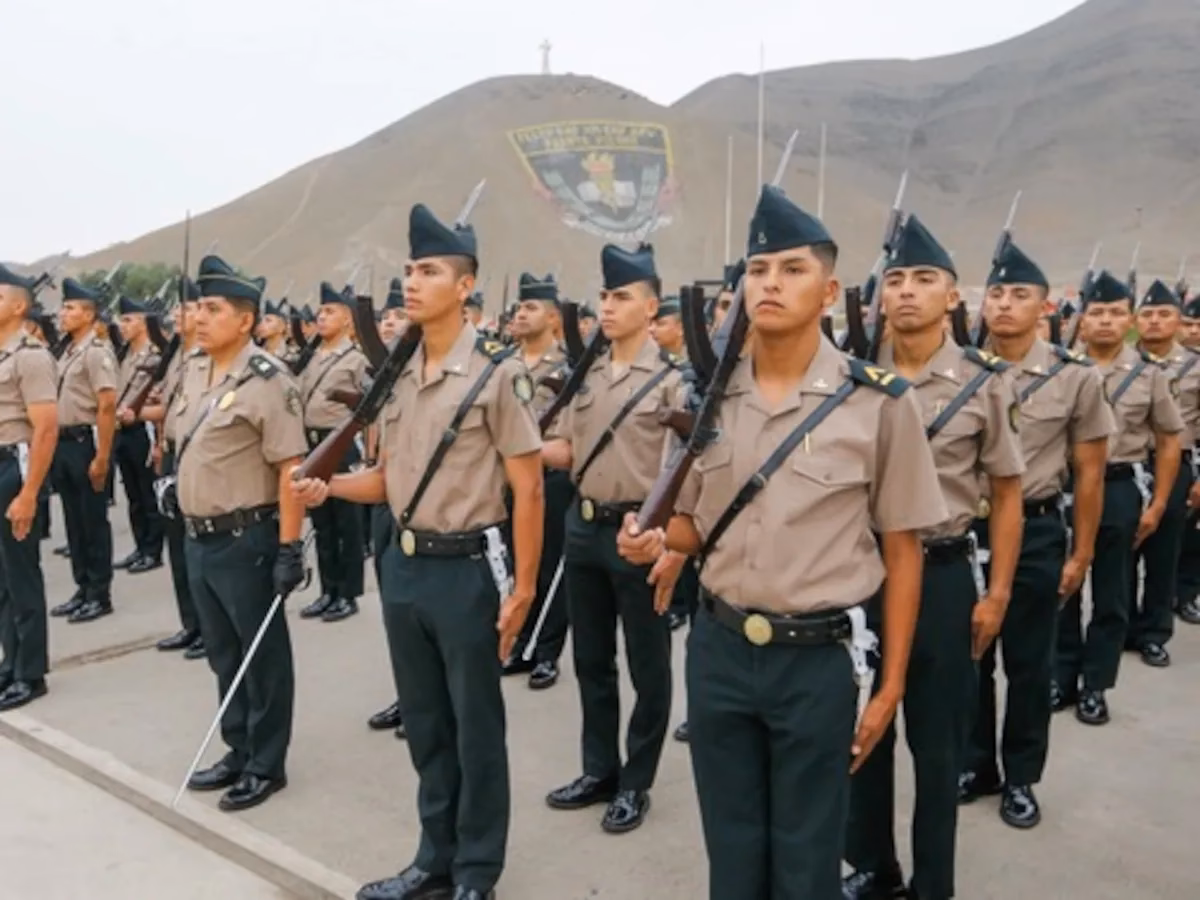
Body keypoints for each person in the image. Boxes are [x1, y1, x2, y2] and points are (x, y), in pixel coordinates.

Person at [617, 185, 946, 899]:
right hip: (719, 650)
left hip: (817, 662)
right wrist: (654, 540)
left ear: (828, 292)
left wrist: (890, 684)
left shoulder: (878, 402)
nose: (769, 283)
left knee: (807, 862)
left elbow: (902, 550)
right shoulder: (709, 398)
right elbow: (697, 525)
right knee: (732, 856)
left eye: (792, 269)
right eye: (758, 270)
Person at [293, 201, 544, 900]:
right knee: (427, 724)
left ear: (465, 286)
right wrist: (328, 486)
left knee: (475, 727)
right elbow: (390, 479)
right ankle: (435, 859)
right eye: (408, 270)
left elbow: (529, 488)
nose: (412, 281)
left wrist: (525, 588)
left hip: (467, 570)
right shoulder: (398, 374)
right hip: (403, 567)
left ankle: (477, 871)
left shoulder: (496, 374)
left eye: (429, 270)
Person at [842, 215, 1025, 900]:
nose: (906, 291)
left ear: (952, 297)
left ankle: (934, 884)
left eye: (924, 280)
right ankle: (873, 866)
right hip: (864, 576)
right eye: (895, 280)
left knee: (937, 744)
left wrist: (997, 593)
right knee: (863, 730)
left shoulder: (984, 383)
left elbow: (1006, 494)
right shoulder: (852, 378)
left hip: (945, 575)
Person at [960, 241, 1112, 830]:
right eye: (996, 293)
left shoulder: (1074, 377)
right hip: (966, 531)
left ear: (1045, 307)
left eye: (1018, 295)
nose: (1003, 304)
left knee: (1028, 663)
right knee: (970, 657)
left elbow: (1090, 473)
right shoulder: (962, 371)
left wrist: (1083, 551)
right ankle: (976, 764)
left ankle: (1021, 776)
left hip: (1037, 530)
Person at [542, 242, 683, 835]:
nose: (607, 305)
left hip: (638, 534)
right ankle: (599, 770)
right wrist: (516, 448)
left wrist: (668, 540)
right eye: (603, 295)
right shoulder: (589, 374)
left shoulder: (673, 381)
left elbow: (685, 470)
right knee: (591, 660)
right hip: (583, 527)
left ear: (650, 308)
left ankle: (635, 781)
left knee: (648, 667)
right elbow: (567, 449)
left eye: (620, 296)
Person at [177, 255, 308, 812]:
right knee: (223, 653)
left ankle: (266, 763)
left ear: (246, 319)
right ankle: (239, 746)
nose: (200, 318)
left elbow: (291, 467)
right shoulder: (195, 368)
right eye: (199, 308)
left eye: (213, 309)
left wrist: (289, 547)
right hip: (198, 536)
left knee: (262, 656)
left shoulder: (268, 380)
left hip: (245, 536)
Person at [1057, 271, 1183, 725]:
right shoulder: (1060, 369)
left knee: (1112, 593)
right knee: (1062, 587)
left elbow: (1169, 440)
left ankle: (1096, 683)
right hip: (1065, 489)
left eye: (1115, 313)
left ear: (1129, 321)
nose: (1106, 321)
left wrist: (1159, 503)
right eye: (1097, 313)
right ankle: (1062, 675)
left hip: (1118, 487)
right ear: (1082, 320)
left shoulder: (1149, 374)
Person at [501, 272, 571, 691]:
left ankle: (546, 651)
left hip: (549, 478)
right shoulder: (503, 364)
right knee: (515, 564)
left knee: (548, 567)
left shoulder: (568, 369)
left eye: (531, 307)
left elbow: (569, 439)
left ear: (554, 317)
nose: (521, 314)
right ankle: (520, 641)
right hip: (504, 481)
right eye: (520, 307)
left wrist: (524, 450)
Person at [1127, 280, 1198, 665]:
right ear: (1136, 321)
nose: (1155, 321)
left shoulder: (1195, 365)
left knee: (1163, 553)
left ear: (1177, 321)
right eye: (1148, 314)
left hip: (1176, 464)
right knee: (1120, 552)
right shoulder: (1120, 363)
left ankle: (1154, 632)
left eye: (1164, 314)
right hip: (1128, 467)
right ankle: (1122, 625)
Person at [0, 265, 59, 711]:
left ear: (19, 306)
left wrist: (29, 493)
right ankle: (11, 660)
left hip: (14, 467)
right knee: (2, 576)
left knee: (21, 573)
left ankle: (30, 672)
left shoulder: (31, 356)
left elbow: (46, 429)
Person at [140, 279, 206, 659]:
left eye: (186, 308)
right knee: (177, 545)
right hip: (170, 453)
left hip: (193, 457)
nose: (177, 315)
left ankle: (208, 628)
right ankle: (191, 623)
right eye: (177, 308)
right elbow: (170, 408)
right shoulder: (177, 354)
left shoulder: (206, 358)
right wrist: (158, 441)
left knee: (195, 546)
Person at [297, 282, 368, 623]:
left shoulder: (357, 359)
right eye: (320, 311)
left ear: (348, 320)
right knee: (322, 522)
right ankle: (328, 590)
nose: (321, 317)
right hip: (313, 443)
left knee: (346, 523)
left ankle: (348, 594)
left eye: (330, 312)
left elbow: (369, 408)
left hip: (340, 444)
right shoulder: (312, 357)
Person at [49, 278, 117, 623]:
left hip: (85, 442)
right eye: (64, 307)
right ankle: (83, 586)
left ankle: (99, 593)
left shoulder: (96, 352)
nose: (63, 313)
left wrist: (102, 456)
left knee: (92, 522)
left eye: (70, 308)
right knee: (74, 522)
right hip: (62, 444)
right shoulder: (67, 350)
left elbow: (107, 405)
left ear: (89, 315)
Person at [112, 295, 166, 572]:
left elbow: (160, 398)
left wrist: (159, 442)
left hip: (142, 429)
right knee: (133, 495)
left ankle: (152, 551)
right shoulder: (124, 355)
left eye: (128, 320)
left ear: (144, 323)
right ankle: (140, 545)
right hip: (122, 430)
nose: (123, 325)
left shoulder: (155, 356)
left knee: (147, 493)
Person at [1177, 294, 1200, 624]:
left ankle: (1185, 594)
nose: (1193, 331)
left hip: (1192, 458)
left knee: (1194, 536)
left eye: (1199, 325)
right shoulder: (1154, 362)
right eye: (1188, 324)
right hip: (1152, 459)